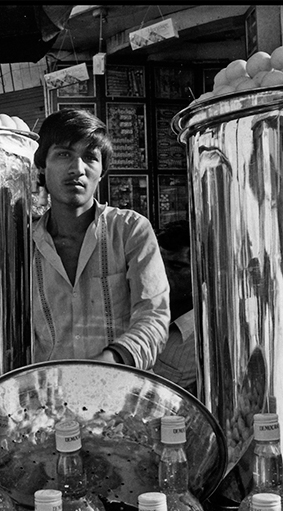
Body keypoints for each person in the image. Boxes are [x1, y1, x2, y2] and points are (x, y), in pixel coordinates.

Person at [30, 109, 169, 370]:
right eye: (64, 154)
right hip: (48, 401)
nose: (77, 169)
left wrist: (109, 363)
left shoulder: (130, 231)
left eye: (90, 158)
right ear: (42, 166)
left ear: (101, 171)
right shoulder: (25, 246)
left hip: (123, 395)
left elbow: (154, 317)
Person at [151, 220, 198, 396]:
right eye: (156, 263)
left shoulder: (203, 339)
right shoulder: (138, 310)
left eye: (176, 267)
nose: (161, 274)